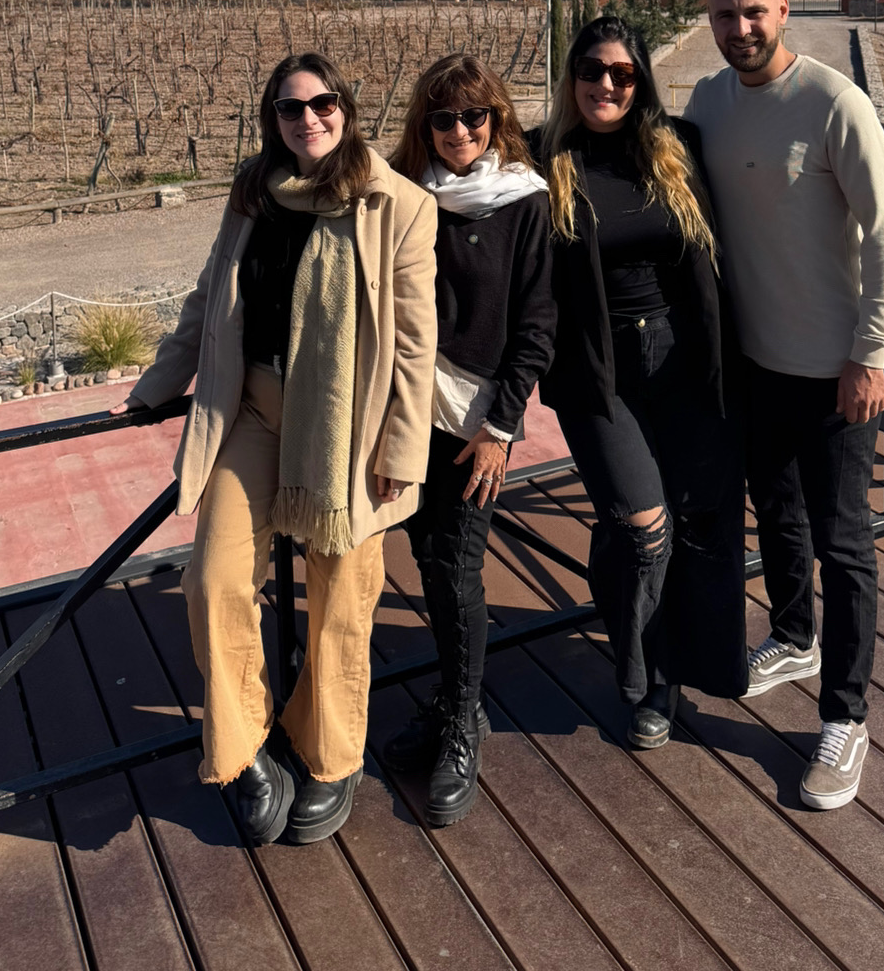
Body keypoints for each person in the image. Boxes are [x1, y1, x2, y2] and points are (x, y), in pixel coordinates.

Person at [110, 51, 437, 846]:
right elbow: (211, 288)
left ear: (346, 109)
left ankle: (332, 757)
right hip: (251, 410)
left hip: (346, 430)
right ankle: (246, 746)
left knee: (340, 602)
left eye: (323, 103)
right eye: (291, 109)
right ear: (273, 121)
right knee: (213, 582)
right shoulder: (255, 189)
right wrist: (162, 378)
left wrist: (403, 449)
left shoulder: (397, 204)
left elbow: (415, 344)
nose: (309, 119)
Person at [685, 0, 884, 810]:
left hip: (833, 373)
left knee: (844, 544)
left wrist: (871, 353)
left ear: (782, 11)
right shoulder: (709, 103)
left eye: (753, 12)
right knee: (774, 512)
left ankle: (846, 718)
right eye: (724, 15)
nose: (739, 27)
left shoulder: (834, 105)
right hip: (752, 364)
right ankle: (793, 636)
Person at [530, 14, 745, 748]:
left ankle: (667, 676)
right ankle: (638, 668)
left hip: (682, 363)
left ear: (642, 81)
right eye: (593, 69)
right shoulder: (542, 157)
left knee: (683, 523)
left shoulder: (676, 149)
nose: (607, 85)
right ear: (572, 76)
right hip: (598, 374)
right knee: (643, 526)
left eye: (624, 73)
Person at [384, 54, 554, 824]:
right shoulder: (400, 194)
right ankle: (455, 702)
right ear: (425, 124)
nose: (458, 132)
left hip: (477, 417)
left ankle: (462, 722)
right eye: (443, 119)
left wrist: (500, 430)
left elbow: (537, 327)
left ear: (496, 121)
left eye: (473, 118)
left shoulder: (524, 201)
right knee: (426, 555)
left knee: (457, 566)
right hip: (404, 409)